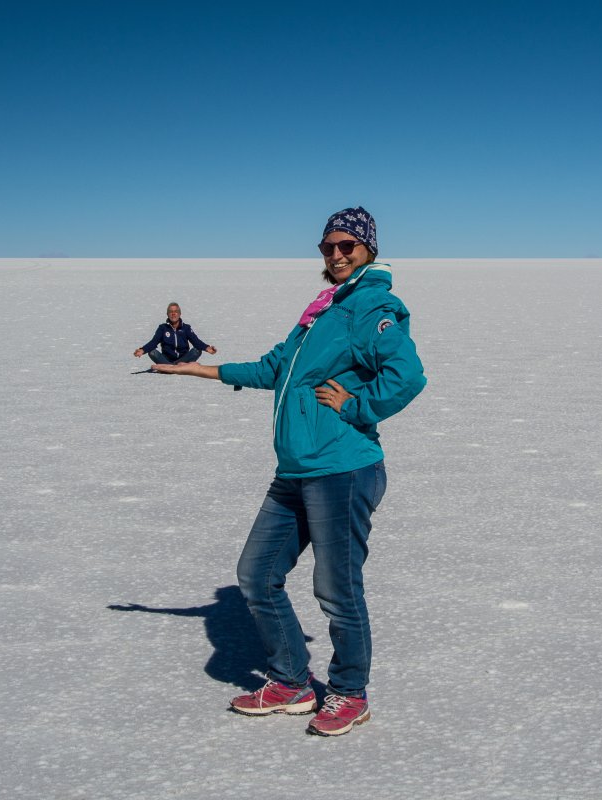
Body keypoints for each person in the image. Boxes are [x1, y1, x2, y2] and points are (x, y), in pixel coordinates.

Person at [152, 207, 426, 736]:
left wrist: (355, 406)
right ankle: (292, 683)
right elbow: (277, 367)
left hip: (342, 470)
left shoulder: (372, 305)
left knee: (337, 589)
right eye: (328, 246)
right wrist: (201, 370)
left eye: (348, 245)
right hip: (297, 470)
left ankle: (348, 692)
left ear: (369, 247)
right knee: (256, 573)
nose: (337, 253)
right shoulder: (324, 307)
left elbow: (407, 376)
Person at [133, 303, 217, 365]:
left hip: (183, 360)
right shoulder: (163, 328)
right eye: (171, 312)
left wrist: (207, 348)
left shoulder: (186, 328)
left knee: (197, 350)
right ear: (167, 314)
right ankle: (172, 366)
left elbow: (196, 341)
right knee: (151, 352)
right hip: (166, 361)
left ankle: (178, 366)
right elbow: (154, 342)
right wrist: (142, 350)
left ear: (180, 314)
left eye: (176, 311)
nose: (173, 314)